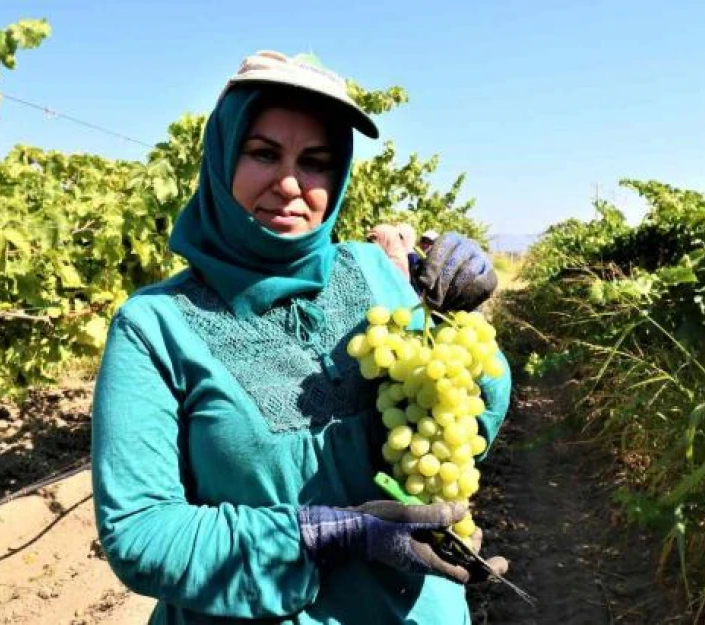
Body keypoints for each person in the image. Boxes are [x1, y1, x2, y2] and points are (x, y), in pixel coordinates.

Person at [90, 49, 511, 625]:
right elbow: (141, 533)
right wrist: (328, 535)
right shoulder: (155, 326)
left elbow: (463, 432)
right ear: (222, 157)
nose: (290, 183)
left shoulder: (372, 272)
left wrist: (463, 325)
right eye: (263, 153)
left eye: (315, 161)